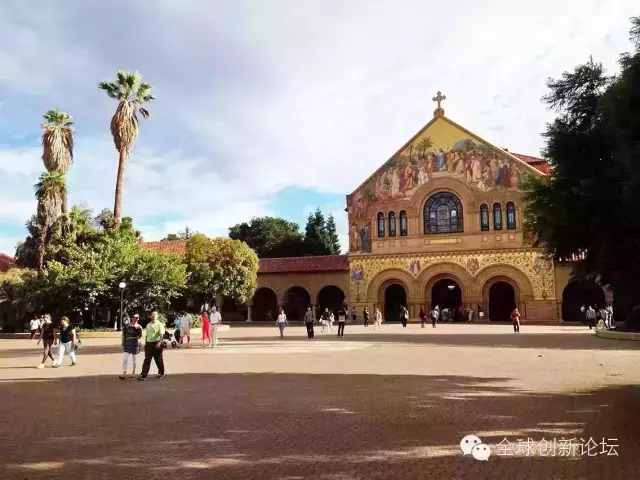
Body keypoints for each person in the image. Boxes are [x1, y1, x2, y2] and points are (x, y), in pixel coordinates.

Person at [139, 311, 165, 380]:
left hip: (157, 343)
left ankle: (161, 373)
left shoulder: (160, 324)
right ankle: (144, 375)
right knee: (147, 359)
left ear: (157, 316)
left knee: (158, 359)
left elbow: (161, 335)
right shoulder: (148, 325)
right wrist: (145, 343)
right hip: (149, 344)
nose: (153, 316)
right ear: (150, 316)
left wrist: (159, 342)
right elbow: (147, 335)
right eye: (152, 315)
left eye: (155, 315)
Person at [120, 313, 143, 379]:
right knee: (125, 360)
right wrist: (122, 341)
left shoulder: (139, 327)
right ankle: (124, 373)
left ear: (138, 319)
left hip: (134, 345)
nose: (135, 319)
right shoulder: (127, 325)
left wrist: (132, 338)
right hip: (127, 345)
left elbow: (139, 336)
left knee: (134, 360)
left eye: (137, 318)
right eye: (134, 317)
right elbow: (123, 334)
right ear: (132, 318)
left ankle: (133, 372)